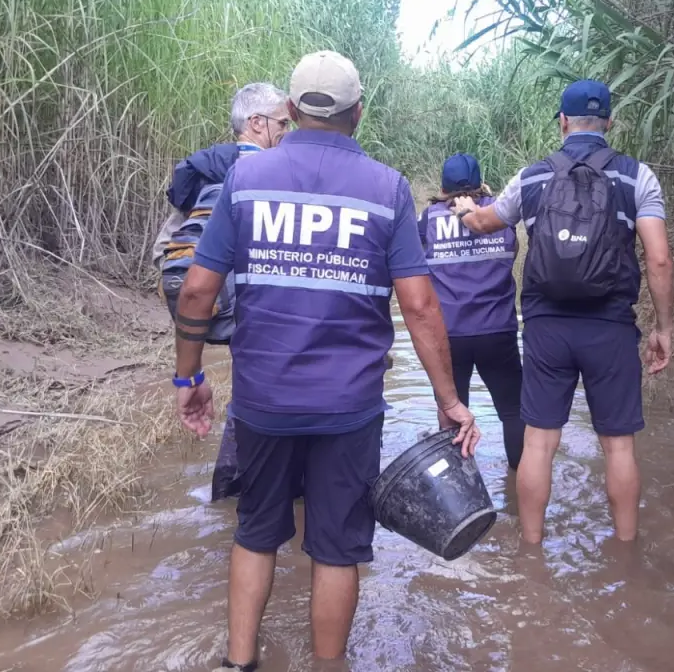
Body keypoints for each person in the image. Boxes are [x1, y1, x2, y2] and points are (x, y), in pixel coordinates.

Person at [170, 50, 481, 670]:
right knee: (337, 547)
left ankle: (239, 662)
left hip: (263, 400)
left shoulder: (246, 181)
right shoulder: (387, 188)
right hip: (349, 408)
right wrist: (449, 400)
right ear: (358, 112)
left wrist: (190, 376)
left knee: (255, 531)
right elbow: (420, 308)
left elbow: (198, 291)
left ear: (290, 110)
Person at [452, 78, 674, 545]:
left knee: (538, 442)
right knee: (618, 446)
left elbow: (485, 222)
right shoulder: (637, 176)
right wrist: (664, 328)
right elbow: (658, 259)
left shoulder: (532, 177)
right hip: (611, 326)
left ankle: (531, 551)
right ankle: (626, 551)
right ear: (609, 123)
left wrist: (467, 209)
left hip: (546, 327)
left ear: (563, 123)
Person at [153, 83, 291, 502]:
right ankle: (259, 491)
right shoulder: (273, 172)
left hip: (206, 301)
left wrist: (191, 375)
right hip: (250, 306)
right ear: (257, 123)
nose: (288, 131)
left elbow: (165, 252)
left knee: (249, 392)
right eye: (283, 123)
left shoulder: (208, 170)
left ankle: (229, 495)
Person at [418, 153, 525, 474]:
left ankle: (460, 485)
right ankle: (519, 483)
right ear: (481, 183)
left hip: (450, 335)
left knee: (452, 411)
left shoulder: (427, 220)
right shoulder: (499, 214)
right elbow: (513, 252)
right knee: (513, 411)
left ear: (443, 186)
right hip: (498, 331)